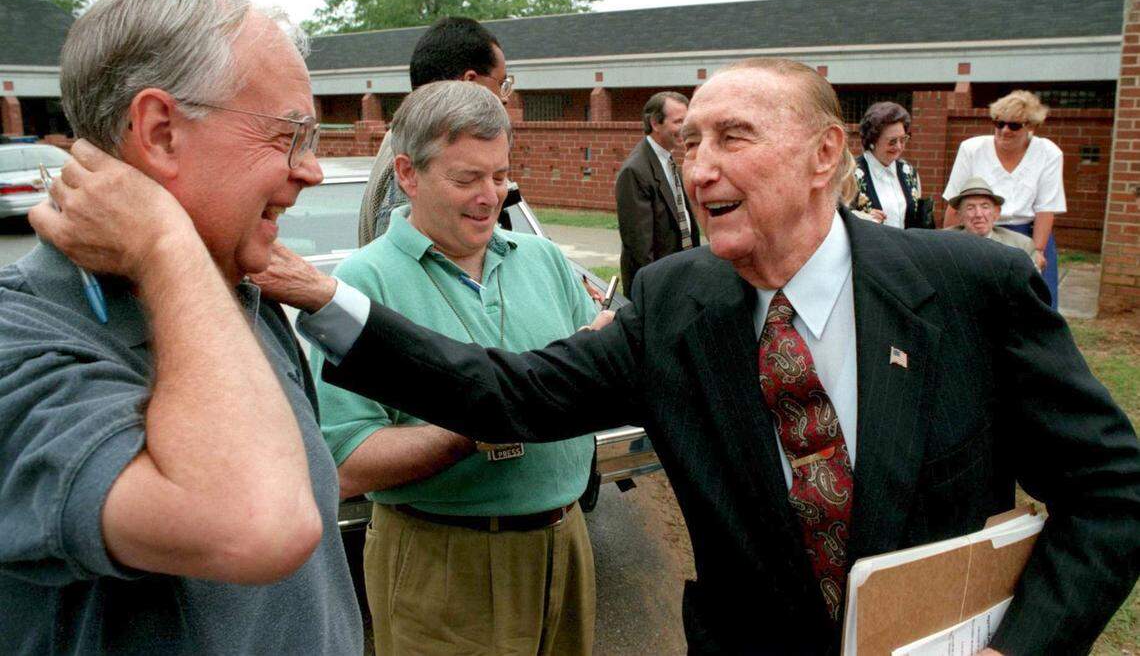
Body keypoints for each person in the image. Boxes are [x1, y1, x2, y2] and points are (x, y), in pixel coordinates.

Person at [68, 59, 1140, 654]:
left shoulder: (969, 289)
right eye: (691, 142)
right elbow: (512, 390)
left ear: (825, 156)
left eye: (733, 138)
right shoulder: (676, 302)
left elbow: (1113, 493)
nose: (700, 166)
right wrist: (328, 299)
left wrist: (1023, 650)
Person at [0, 0, 361, 654]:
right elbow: (260, 526)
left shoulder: (234, 296)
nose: (311, 170)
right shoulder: (18, 338)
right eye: (290, 136)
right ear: (161, 133)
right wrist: (164, 243)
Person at [303, 81, 602, 655]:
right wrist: (480, 426)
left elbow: (593, 379)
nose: (490, 196)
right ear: (407, 174)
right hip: (442, 560)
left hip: (567, 543)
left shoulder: (543, 259)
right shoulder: (363, 283)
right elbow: (346, 464)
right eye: (467, 179)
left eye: (500, 176)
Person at [358, 16, 512, 245]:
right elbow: (403, 260)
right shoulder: (421, 159)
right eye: (466, 178)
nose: (504, 98)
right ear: (469, 82)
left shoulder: (407, 142)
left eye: (498, 178)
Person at [942, 90, 1064, 307]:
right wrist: (947, 246)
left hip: (1026, 236)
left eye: (1014, 125)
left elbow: (1046, 208)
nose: (1005, 130)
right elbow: (955, 202)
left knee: (1036, 306)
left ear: (1031, 127)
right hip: (979, 233)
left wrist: (1037, 251)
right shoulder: (972, 149)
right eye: (999, 123)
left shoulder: (1049, 153)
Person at [615, 91, 700, 296]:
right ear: (655, 122)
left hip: (681, 276)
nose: (685, 128)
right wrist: (659, 291)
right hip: (658, 286)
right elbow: (640, 248)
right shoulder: (635, 171)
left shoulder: (668, 162)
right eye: (678, 121)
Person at [851, 101, 930, 229]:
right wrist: (863, 218)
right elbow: (837, 215)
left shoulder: (909, 172)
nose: (898, 147)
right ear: (873, 140)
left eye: (903, 139)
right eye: (892, 141)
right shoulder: (851, 173)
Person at [944, 176, 1041, 264]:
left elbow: (1030, 277)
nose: (978, 214)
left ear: (996, 212)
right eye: (970, 208)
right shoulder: (945, 244)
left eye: (985, 207)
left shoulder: (1021, 246)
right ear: (959, 215)